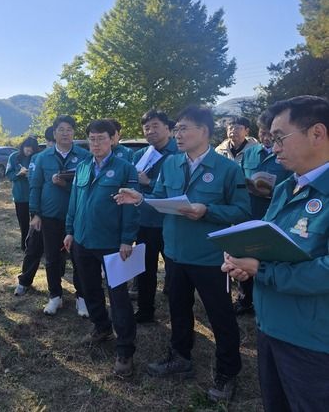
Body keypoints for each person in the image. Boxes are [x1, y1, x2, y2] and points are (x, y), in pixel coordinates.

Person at [115, 105, 251, 402]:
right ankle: (180, 358)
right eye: (176, 129)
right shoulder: (171, 164)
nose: (177, 134)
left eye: (183, 129)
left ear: (204, 131)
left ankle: (228, 372)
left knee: (220, 315)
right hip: (175, 253)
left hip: (210, 256)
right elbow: (162, 199)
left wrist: (208, 210)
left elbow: (242, 210)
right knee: (178, 308)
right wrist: (141, 199)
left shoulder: (227, 168)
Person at [222, 95, 329, 412]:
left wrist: (262, 270)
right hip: (270, 327)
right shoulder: (286, 188)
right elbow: (267, 244)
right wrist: (243, 261)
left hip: (313, 340)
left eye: (280, 138)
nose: (273, 147)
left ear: (317, 133)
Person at [64, 119, 140, 377]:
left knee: (118, 297)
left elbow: (130, 206)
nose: (96, 143)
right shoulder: (83, 167)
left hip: (111, 243)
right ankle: (101, 326)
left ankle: (125, 349)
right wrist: (70, 231)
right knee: (88, 288)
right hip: (83, 241)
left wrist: (126, 239)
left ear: (113, 139)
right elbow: (74, 201)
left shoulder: (125, 168)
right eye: (92, 139)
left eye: (101, 138)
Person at [29, 115, 90, 316]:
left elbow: (89, 186)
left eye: (69, 129)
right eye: (61, 129)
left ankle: (82, 298)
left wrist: (65, 184)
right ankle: (55, 296)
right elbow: (35, 186)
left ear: (74, 133)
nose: (65, 133)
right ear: (54, 133)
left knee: (79, 257)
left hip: (78, 216)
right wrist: (35, 213)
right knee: (52, 258)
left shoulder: (84, 155)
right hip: (50, 216)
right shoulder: (42, 157)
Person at [233, 110, 292, 316]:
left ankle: (267, 300)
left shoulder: (288, 154)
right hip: (249, 211)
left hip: (275, 214)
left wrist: (270, 192)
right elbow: (239, 178)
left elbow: (293, 186)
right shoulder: (249, 152)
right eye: (263, 133)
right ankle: (244, 299)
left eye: (271, 134)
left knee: (268, 257)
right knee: (245, 253)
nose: (267, 138)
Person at [131, 109, 177, 323]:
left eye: (155, 126)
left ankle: (179, 309)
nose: (150, 131)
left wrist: (148, 183)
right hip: (145, 220)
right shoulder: (140, 155)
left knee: (176, 269)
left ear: (168, 128)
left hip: (171, 221)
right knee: (145, 268)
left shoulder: (179, 153)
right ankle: (145, 309)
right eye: (147, 127)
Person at [14, 126, 53, 296]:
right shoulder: (38, 158)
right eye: (51, 141)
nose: (53, 144)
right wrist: (36, 212)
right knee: (33, 247)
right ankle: (24, 281)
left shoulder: (76, 158)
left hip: (61, 213)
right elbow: (34, 186)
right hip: (41, 212)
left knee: (57, 251)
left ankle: (57, 288)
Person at [6, 136, 40, 251]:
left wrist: (30, 174)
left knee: (36, 223)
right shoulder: (14, 157)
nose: (28, 152)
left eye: (31, 151)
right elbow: (9, 175)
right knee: (23, 223)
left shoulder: (36, 158)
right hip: (20, 196)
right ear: (23, 147)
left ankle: (35, 245)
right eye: (27, 149)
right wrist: (18, 174)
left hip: (34, 196)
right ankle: (24, 245)